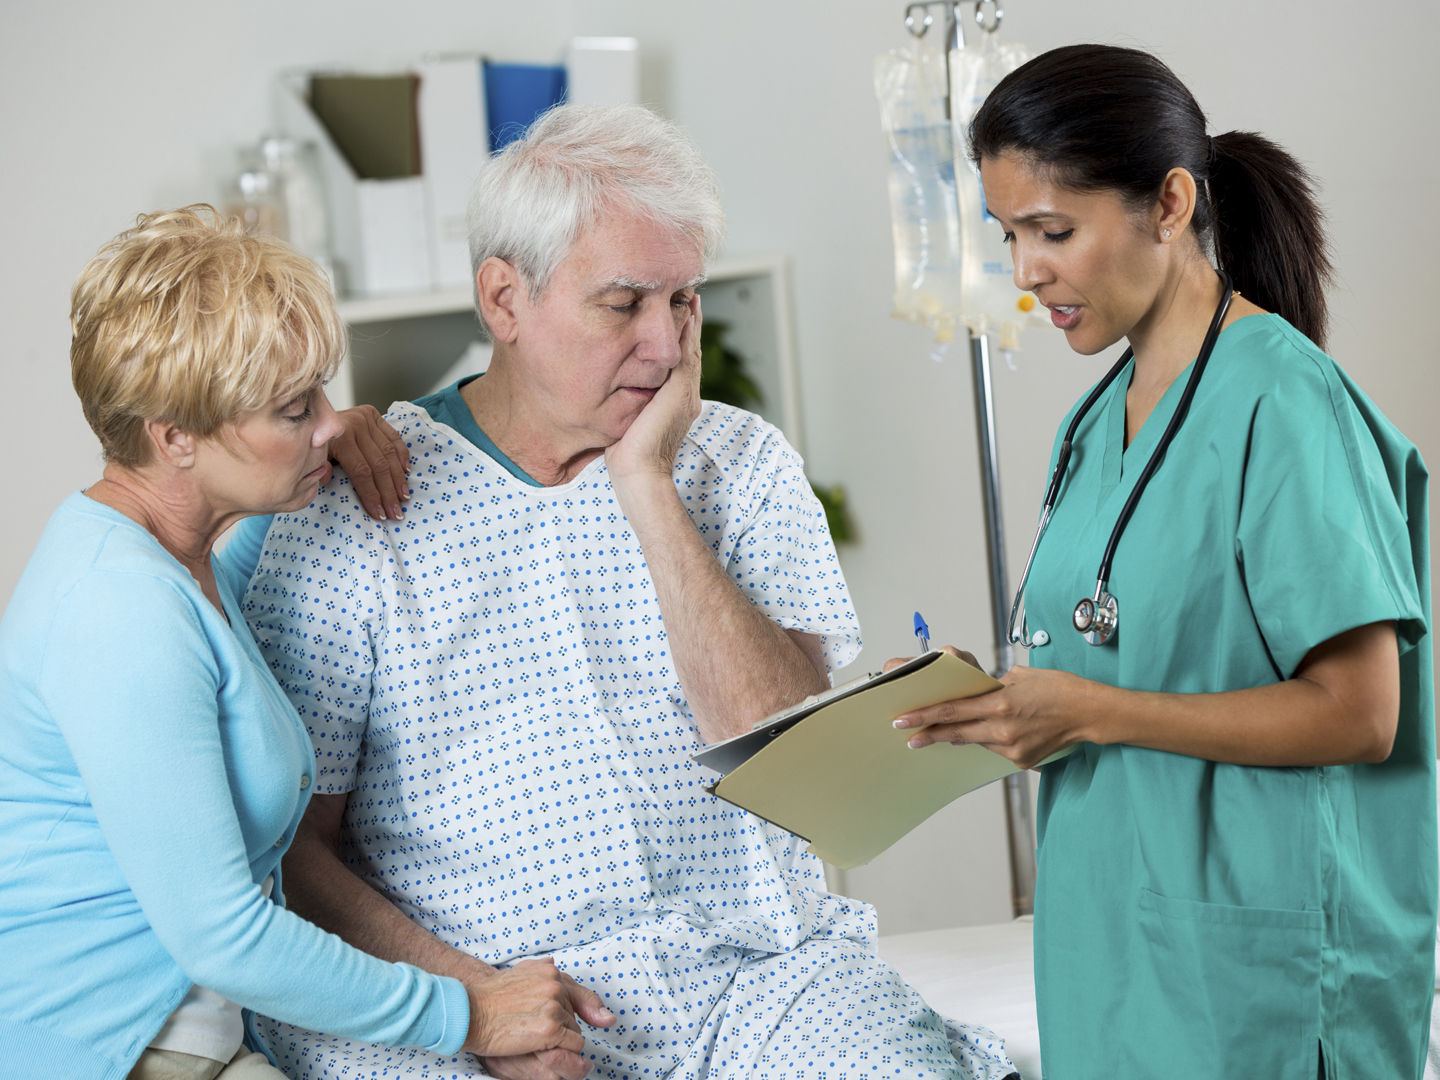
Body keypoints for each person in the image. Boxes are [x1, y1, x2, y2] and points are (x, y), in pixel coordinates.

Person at [237, 105, 1018, 1080]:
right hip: (460, 989)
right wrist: (471, 1007)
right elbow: (298, 854)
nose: (665, 345)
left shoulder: (742, 464)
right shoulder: (359, 505)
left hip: (751, 975)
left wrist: (647, 486)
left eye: (683, 300)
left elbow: (785, 755)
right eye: (624, 304)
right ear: (505, 299)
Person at [891, 45, 1435, 1078]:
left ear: (1172, 204)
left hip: (1256, 970)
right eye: (1009, 236)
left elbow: (1362, 714)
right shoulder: (1096, 422)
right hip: (1111, 950)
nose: (1025, 273)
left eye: (1054, 231)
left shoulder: (1285, 405)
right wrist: (984, 706)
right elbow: (1118, 669)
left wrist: (1092, 710)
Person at [0, 207, 614, 1080]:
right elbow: (222, 936)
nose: (329, 421)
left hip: (193, 1037)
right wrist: (470, 1013)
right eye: (295, 409)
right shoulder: (117, 610)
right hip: (103, 1047)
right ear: (176, 438)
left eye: (321, 392)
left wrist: (349, 436)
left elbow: (260, 546)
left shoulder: (182, 558)